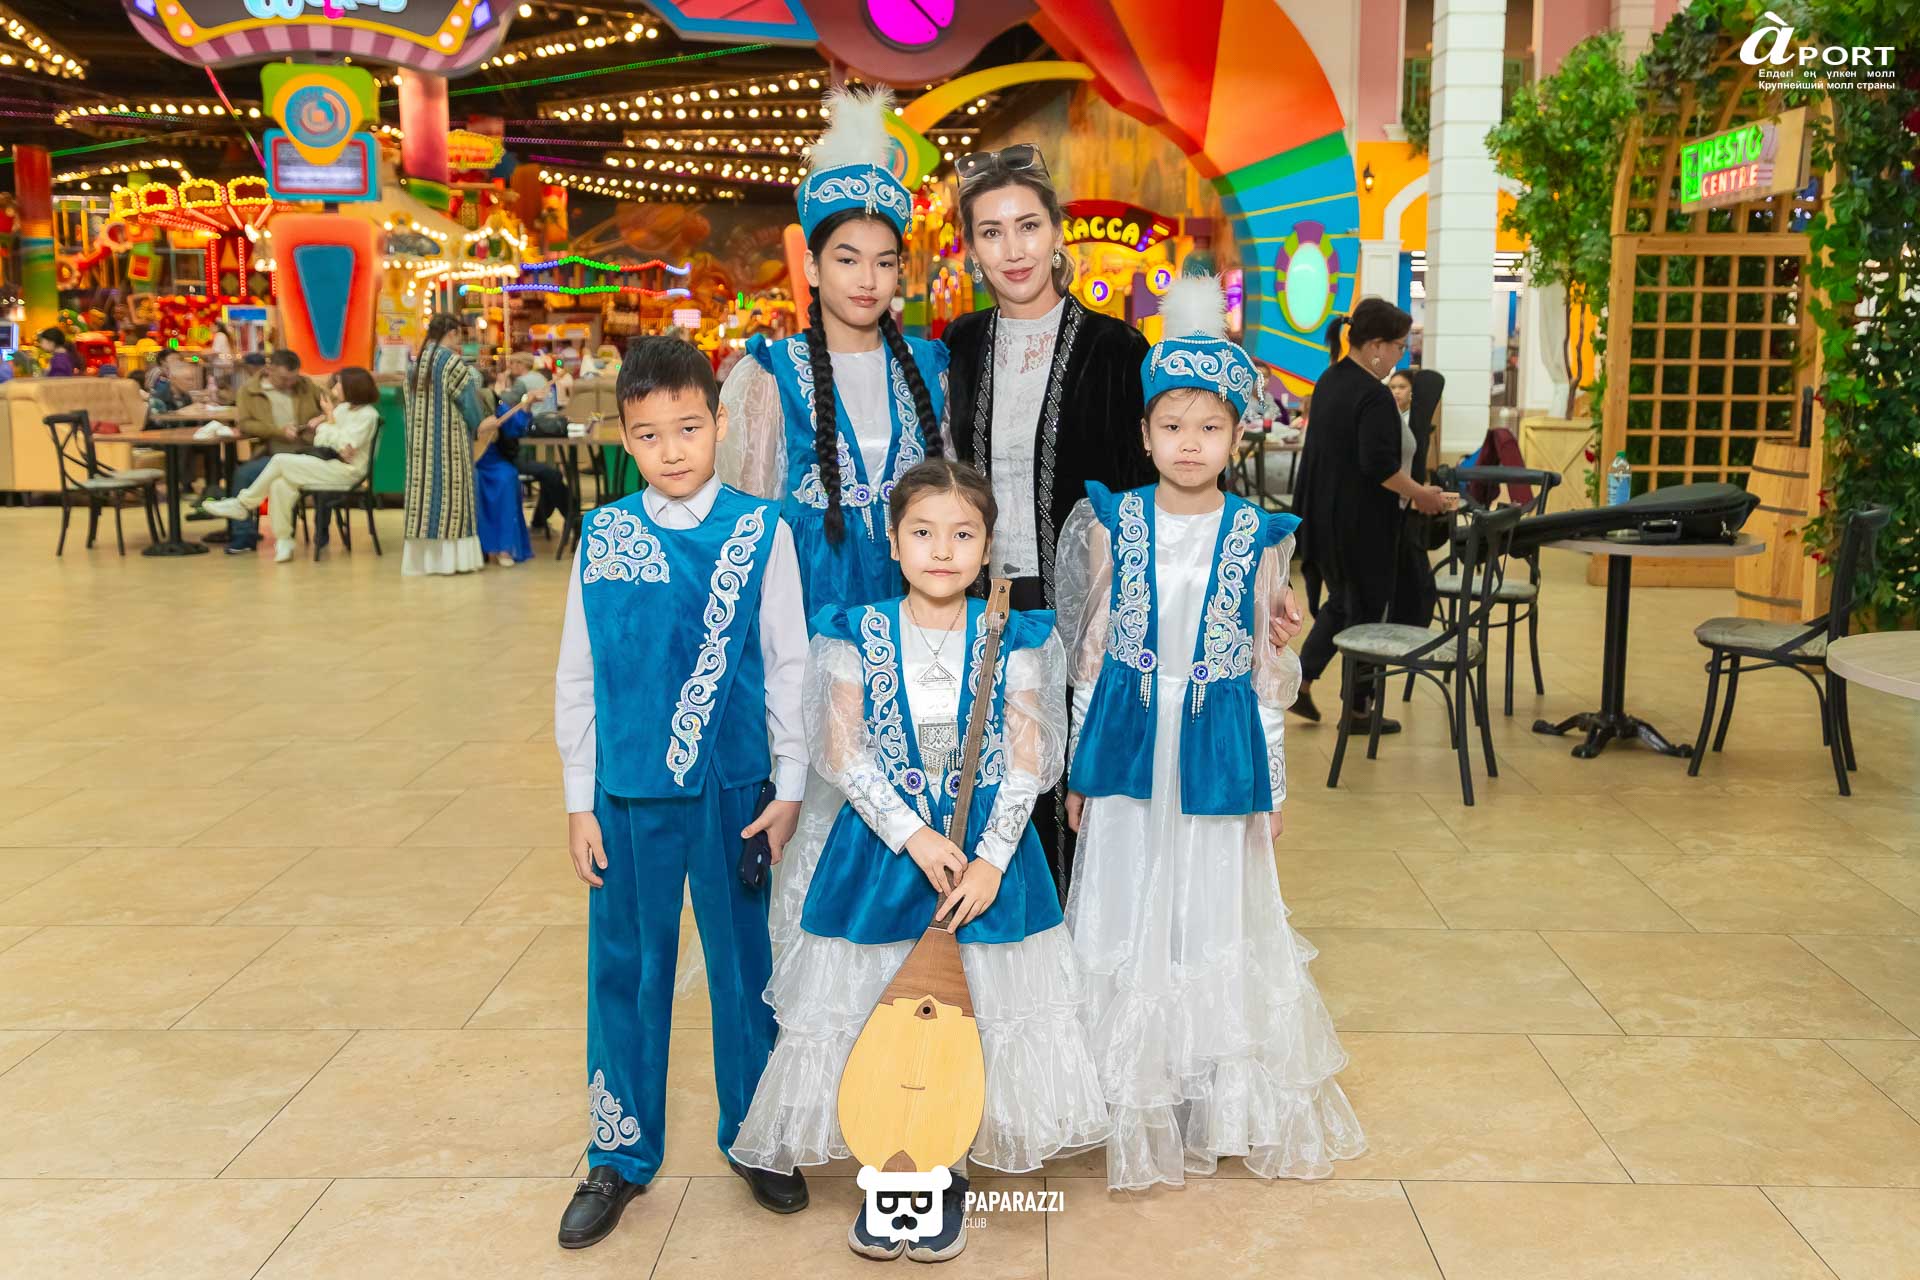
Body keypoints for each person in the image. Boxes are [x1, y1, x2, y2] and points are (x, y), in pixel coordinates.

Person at [728, 458, 1107, 1263]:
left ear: (987, 548)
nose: (942, 550)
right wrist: (914, 835)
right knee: (882, 1013)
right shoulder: (853, 634)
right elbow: (845, 753)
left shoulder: (1018, 639)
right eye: (923, 533)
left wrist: (992, 860)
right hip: (883, 857)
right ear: (894, 543)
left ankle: (944, 1166)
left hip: (988, 860)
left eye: (963, 535)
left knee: (970, 1019)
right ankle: (890, 1164)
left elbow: (1026, 763)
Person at [1057, 275, 1364, 1190]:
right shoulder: (1113, 521)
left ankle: (1216, 1099)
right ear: (1144, 433)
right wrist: (1079, 769)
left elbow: (1268, 675)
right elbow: (1091, 656)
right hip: (1129, 747)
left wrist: (1274, 784)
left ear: (1238, 436)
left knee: (1209, 912)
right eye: (1171, 426)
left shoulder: (1259, 535)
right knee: (1127, 903)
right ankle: (1127, 1091)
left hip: (1218, 751)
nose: (1189, 444)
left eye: (1209, 427)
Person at [554, 336, 810, 1248]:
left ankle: (756, 1135)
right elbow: (578, 675)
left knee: (745, 970)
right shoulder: (601, 536)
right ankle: (618, 1153)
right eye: (649, 434)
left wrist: (789, 784)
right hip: (626, 795)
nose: (671, 450)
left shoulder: (764, 529)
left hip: (733, 791)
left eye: (689, 428)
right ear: (625, 438)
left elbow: (789, 664)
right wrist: (578, 800)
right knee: (626, 969)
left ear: (721, 423)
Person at [715, 86, 949, 963]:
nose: (866, 279)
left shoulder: (933, 368)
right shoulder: (765, 375)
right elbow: (739, 527)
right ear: (810, 267)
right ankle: (815, 999)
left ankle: (902, 995)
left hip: (914, 623)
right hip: (809, 628)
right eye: (846, 258)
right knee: (817, 812)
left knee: (912, 806)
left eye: (884, 262)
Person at [1290, 298, 1449, 728]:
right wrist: (1421, 494)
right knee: (1367, 613)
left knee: (1346, 603)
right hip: (1362, 524)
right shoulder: (1373, 395)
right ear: (1376, 345)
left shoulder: (1330, 379)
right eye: (1399, 346)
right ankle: (1358, 708)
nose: (1402, 355)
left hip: (1326, 516)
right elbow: (1380, 466)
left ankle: (1304, 682)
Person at [201, 366, 381, 563]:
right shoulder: (343, 409)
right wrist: (333, 432)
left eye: (339, 384)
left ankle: (243, 504)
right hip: (329, 464)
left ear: (352, 387)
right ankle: (284, 540)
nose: (335, 388)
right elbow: (322, 441)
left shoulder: (367, 415)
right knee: (280, 484)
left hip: (348, 472)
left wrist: (329, 421)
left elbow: (346, 447)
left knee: (280, 460)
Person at [402, 313, 487, 575]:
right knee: (453, 501)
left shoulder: (416, 363)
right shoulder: (452, 363)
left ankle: (423, 563)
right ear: (451, 333)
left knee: (423, 501)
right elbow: (470, 406)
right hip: (450, 444)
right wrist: (479, 424)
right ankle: (452, 562)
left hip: (420, 446)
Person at [223, 349, 326, 554]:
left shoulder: (306, 386)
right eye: (284, 379)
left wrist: (322, 417)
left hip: (308, 452)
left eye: (293, 378)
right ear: (269, 370)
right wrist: (278, 432)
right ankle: (244, 535)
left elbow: (336, 404)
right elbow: (245, 424)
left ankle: (321, 532)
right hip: (271, 453)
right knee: (243, 475)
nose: (290, 384)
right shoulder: (249, 391)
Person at [474, 385, 535, 566]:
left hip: (496, 462)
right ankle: (480, 548)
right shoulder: (461, 407)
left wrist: (527, 405)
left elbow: (517, 426)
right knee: (473, 480)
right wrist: (478, 430)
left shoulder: (497, 406)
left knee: (507, 477)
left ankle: (505, 548)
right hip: (472, 463)